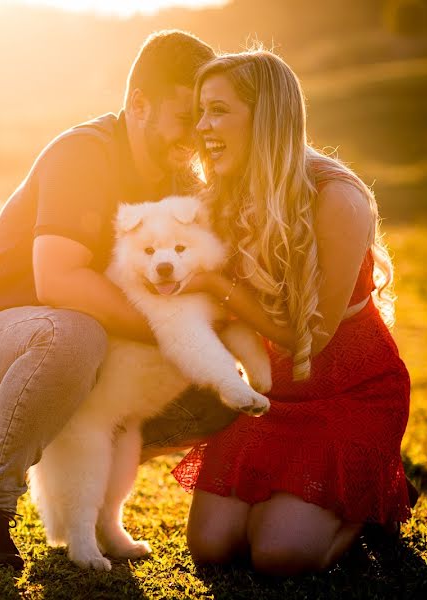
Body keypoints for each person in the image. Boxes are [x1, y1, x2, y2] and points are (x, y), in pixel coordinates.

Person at [0, 30, 237, 570]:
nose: (197, 134)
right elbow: (60, 282)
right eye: (185, 117)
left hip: (84, 365)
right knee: (74, 333)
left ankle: (86, 487)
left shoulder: (179, 180)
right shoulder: (82, 154)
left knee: (225, 392)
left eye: (207, 117)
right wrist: (176, 332)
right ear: (138, 105)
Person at [170, 49, 414, 576]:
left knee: (279, 556)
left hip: (349, 388)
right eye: (200, 112)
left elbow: (309, 344)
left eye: (218, 111)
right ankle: (309, 502)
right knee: (212, 548)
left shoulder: (337, 198)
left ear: (266, 118)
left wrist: (217, 283)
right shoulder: (224, 190)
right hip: (271, 392)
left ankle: (367, 503)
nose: (203, 128)